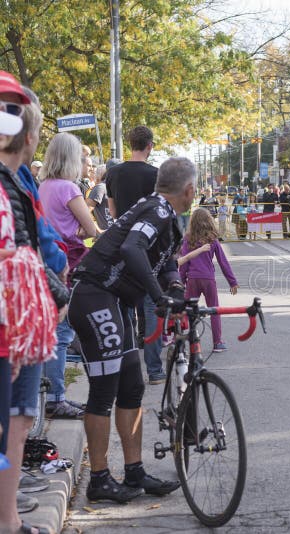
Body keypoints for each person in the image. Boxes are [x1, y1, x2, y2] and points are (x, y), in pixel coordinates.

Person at [69, 157, 194, 503]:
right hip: (95, 295)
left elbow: (165, 257)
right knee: (104, 389)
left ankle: (134, 470)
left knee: (132, 385)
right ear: (190, 190)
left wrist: (175, 288)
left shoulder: (164, 213)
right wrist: (156, 296)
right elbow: (131, 247)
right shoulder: (157, 210)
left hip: (113, 299)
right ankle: (98, 478)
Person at [0, 78, 69, 534]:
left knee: (16, 419)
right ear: (29, 137)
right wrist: (59, 293)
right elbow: (22, 252)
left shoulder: (16, 181)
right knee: (14, 420)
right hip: (13, 325)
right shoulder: (10, 182)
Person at [39, 132, 106, 419]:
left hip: (47, 261)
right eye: (80, 157)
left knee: (50, 330)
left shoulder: (43, 186)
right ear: (71, 158)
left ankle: (47, 394)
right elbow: (91, 231)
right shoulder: (69, 189)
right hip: (69, 263)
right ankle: (56, 397)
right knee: (62, 334)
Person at [104, 126, 165, 383]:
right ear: (149, 145)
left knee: (125, 308)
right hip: (149, 246)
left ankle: (128, 368)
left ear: (130, 144)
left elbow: (114, 212)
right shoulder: (156, 174)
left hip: (122, 246)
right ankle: (154, 370)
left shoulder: (113, 173)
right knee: (152, 307)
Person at [179, 208, 239, 351]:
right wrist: (232, 282)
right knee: (214, 310)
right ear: (209, 221)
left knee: (186, 310)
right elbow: (223, 262)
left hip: (192, 279)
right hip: (208, 280)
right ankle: (217, 342)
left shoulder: (188, 239)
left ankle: (181, 342)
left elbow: (184, 263)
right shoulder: (213, 239)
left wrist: (180, 281)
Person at [86, 157, 120, 231]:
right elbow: (84, 212)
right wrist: (98, 231)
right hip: (106, 237)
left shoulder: (117, 188)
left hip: (118, 235)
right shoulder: (100, 188)